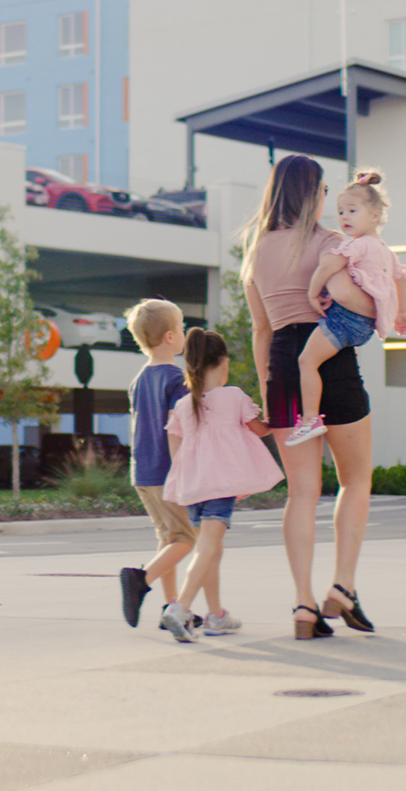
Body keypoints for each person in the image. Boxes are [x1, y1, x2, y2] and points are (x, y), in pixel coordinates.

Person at [241, 154, 378, 639]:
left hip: (282, 365)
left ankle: (303, 604)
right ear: (313, 194)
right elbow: (353, 301)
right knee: (355, 479)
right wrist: (380, 308)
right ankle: (342, 586)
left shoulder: (255, 248)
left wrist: (267, 388)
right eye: (323, 191)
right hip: (329, 358)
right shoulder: (330, 243)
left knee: (301, 493)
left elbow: (261, 329)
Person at [158, 328, 282, 642]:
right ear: (224, 365)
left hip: (193, 487)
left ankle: (216, 615)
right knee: (209, 547)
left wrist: (185, 476)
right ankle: (180, 607)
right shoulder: (234, 396)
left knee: (210, 549)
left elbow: (176, 445)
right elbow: (261, 430)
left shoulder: (185, 405)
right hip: (220, 483)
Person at [286, 168, 406, 446]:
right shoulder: (386, 251)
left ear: (374, 215)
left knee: (306, 361)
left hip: (345, 319)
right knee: (326, 364)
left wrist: (312, 291)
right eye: (341, 212)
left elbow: (329, 264)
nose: (344, 218)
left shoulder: (360, 245)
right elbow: (400, 280)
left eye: (352, 211)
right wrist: (402, 312)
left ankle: (309, 419)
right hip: (366, 327)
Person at [118, 298, 199, 630]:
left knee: (168, 538)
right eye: (180, 329)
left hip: (143, 471)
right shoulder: (177, 379)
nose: (182, 336)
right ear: (169, 337)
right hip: (168, 470)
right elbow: (175, 429)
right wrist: (185, 471)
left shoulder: (138, 379)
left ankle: (171, 606)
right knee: (187, 539)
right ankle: (141, 579)